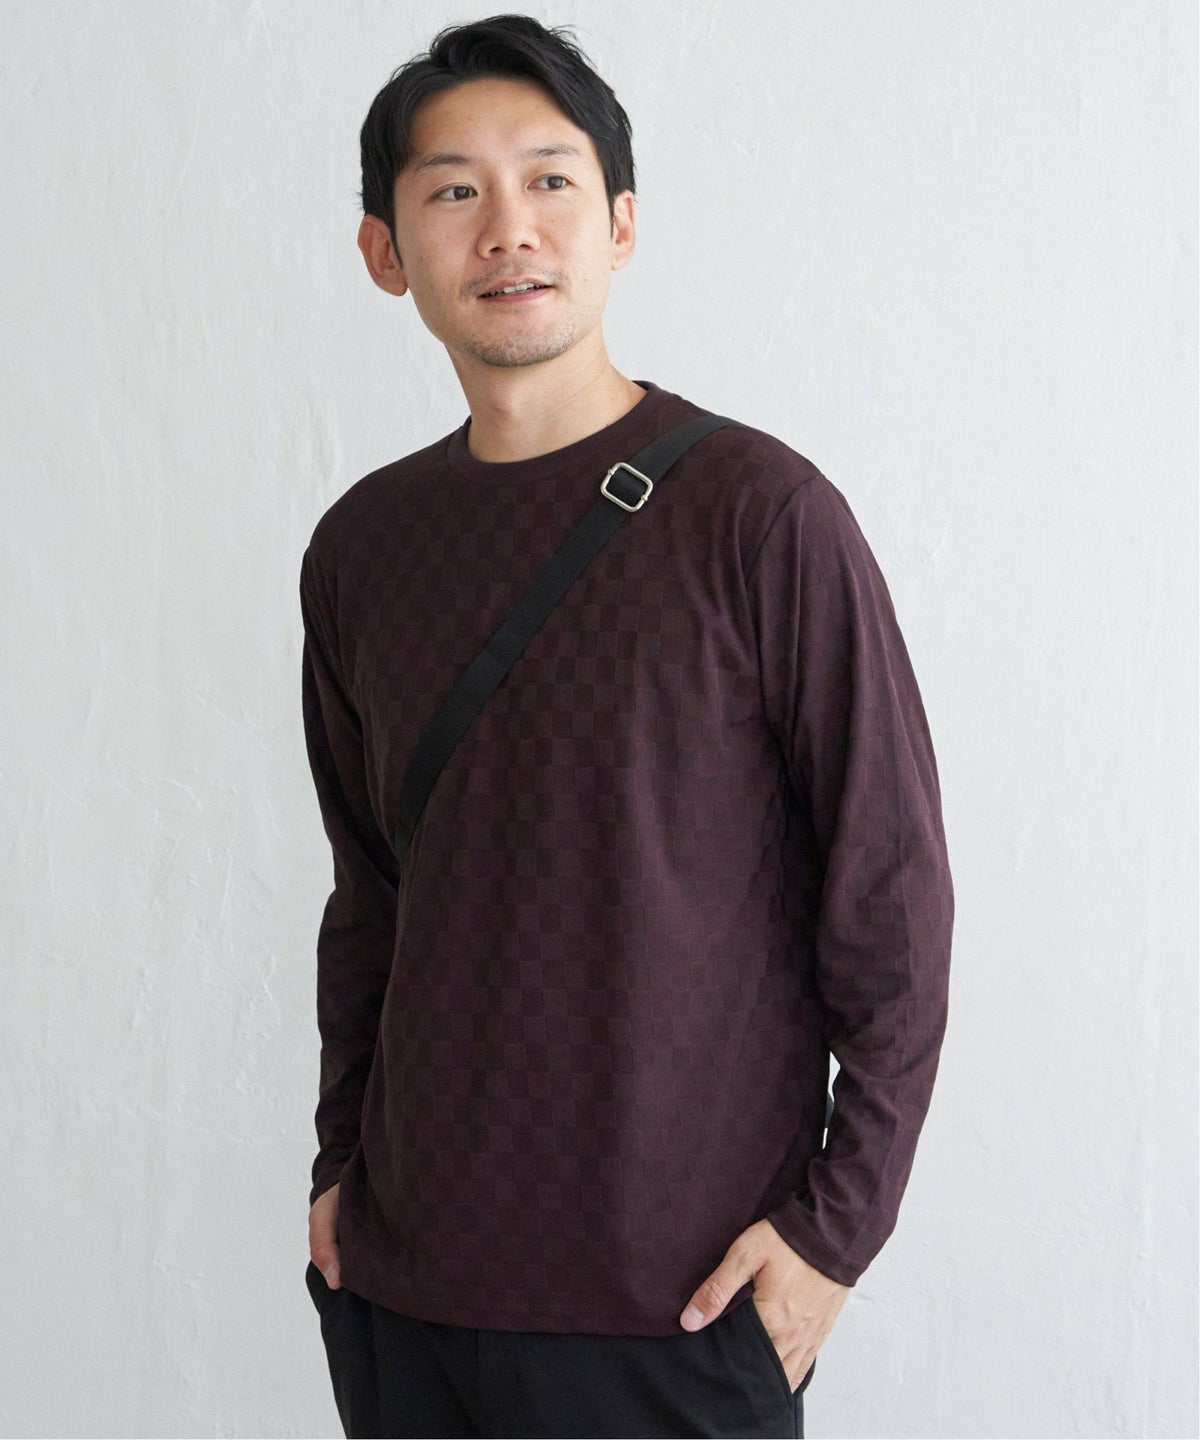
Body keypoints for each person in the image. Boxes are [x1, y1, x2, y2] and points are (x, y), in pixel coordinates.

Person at [298, 13, 955, 1439]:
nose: (508, 228)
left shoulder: (762, 517)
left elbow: (890, 898)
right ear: (385, 251)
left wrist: (835, 1234)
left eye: (551, 179)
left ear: (621, 224)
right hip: (406, 1291)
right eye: (454, 190)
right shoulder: (362, 548)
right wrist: (340, 1163)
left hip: (679, 1308)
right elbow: (373, 895)